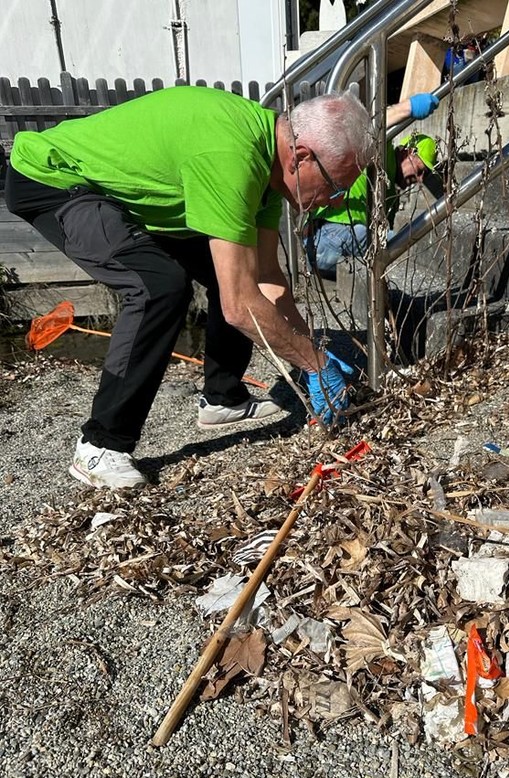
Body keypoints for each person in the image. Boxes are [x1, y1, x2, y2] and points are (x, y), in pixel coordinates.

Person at [5, 86, 374, 489]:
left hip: (127, 193)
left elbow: (267, 281)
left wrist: (310, 353)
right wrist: (315, 365)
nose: (334, 203)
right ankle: (100, 446)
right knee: (158, 287)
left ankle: (222, 398)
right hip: (53, 177)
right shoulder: (231, 157)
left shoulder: (270, 170)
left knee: (232, 270)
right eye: (335, 187)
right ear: (301, 157)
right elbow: (239, 305)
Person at [305, 93, 440, 279]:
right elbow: (371, 124)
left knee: (394, 243)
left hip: (329, 246)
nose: (419, 178)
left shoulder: (391, 191)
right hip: (327, 235)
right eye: (419, 169)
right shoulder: (383, 154)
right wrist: (408, 108)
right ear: (408, 152)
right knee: (406, 243)